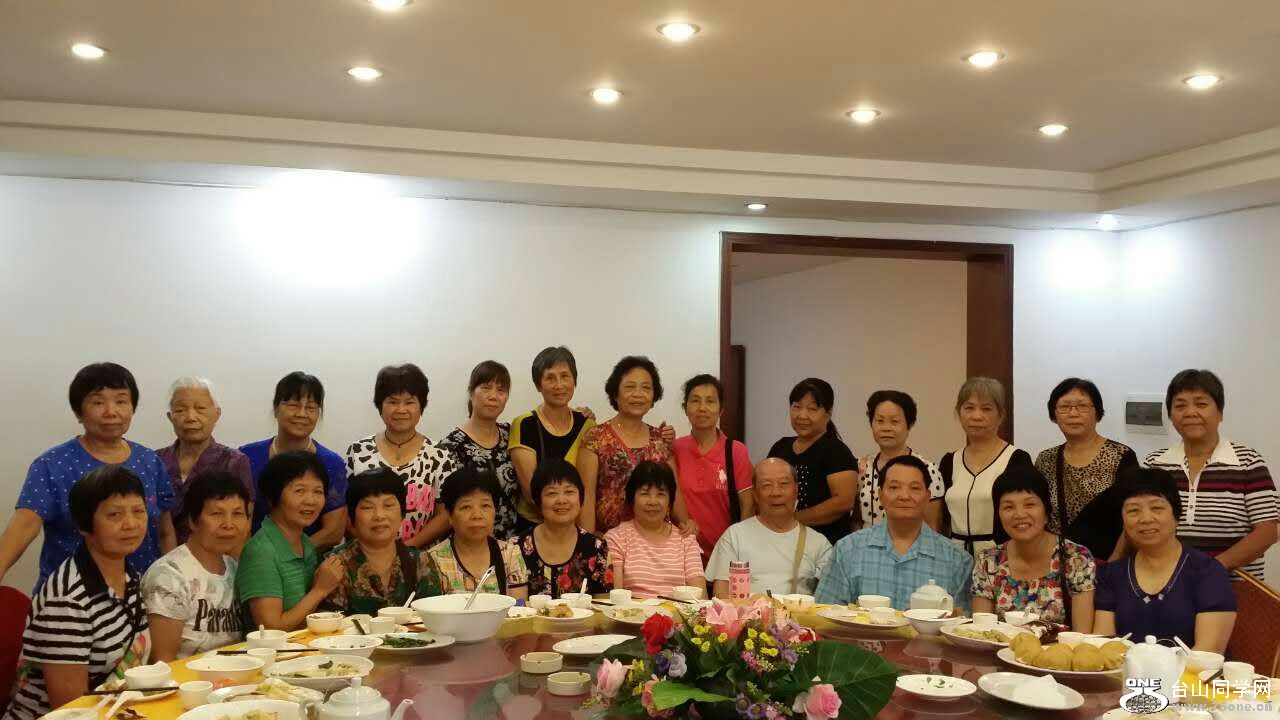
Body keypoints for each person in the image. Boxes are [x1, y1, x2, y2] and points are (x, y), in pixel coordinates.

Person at [0, 362, 176, 591]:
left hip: (142, 594)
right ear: (78, 411)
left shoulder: (150, 461)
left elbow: (165, 532)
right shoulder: (52, 464)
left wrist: (173, 582)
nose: (111, 411)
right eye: (98, 402)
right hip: (71, 597)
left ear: (132, 407)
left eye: (121, 401)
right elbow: (24, 525)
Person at [3, 467, 152, 720]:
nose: (131, 524)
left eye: (139, 511)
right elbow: (71, 708)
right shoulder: (67, 600)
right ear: (84, 525)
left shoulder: (131, 576)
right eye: (114, 515)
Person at [1143, 369, 1278, 580]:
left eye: (1201, 404)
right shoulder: (1154, 465)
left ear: (1220, 412)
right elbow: (1138, 524)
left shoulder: (1248, 462)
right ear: (1170, 415)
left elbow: (1267, 531)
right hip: (1166, 586)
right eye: (1180, 406)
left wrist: (1214, 567)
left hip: (1233, 587)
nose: (1190, 412)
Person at [1094, 468, 1237, 652]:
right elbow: (1104, 648)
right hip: (1125, 671)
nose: (1146, 519)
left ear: (1176, 516)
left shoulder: (1208, 572)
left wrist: (1157, 673)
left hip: (1192, 671)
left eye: (1157, 508)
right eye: (1133, 510)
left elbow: (1208, 652)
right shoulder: (1111, 575)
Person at [816, 455, 973, 610]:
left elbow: (961, 622)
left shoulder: (957, 560)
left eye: (914, 488)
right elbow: (824, 614)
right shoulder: (848, 550)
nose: (904, 496)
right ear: (880, 495)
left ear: (927, 497)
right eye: (894, 487)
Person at [971, 464, 1096, 631]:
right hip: (998, 647)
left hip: (1061, 648)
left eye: (1029, 505)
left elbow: (1082, 635)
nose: (1019, 514)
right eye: (1008, 507)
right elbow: (980, 632)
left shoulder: (1076, 558)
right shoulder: (988, 561)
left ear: (1046, 512)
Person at [142, 471, 249, 660]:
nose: (229, 524)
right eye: (217, 514)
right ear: (192, 521)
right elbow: (162, 663)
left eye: (238, 514)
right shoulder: (169, 576)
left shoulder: (235, 569)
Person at [346, 363, 456, 548]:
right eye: (393, 402)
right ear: (380, 405)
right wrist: (373, 549)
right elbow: (344, 511)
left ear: (421, 406)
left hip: (420, 556)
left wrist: (407, 549)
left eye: (409, 402)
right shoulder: (358, 451)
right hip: (367, 555)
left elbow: (445, 514)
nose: (401, 410)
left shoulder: (439, 454)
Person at [236, 451, 345, 630]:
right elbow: (271, 629)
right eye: (299, 491)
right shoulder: (261, 551)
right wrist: (320, 590)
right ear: (274, 496)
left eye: (318, 491)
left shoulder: (305, 543)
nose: (311, 501)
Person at [1034, 378, 1138, 562]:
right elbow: (1038, 512)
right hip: (1057, 562)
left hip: (1107, 561)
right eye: (1064, 406)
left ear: (1097, 412)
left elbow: (1133, 513)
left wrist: (1114, 562)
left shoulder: (1121, 455)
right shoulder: (1046, 459)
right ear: (1054, 414)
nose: (1073, 413)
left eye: (1082, 406)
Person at [578, 356, 685, 534]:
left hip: (656, 540)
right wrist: (589, 541)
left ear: (654, 395)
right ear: (615, 393)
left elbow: (675, 492)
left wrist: (685, 524)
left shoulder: (660, 440)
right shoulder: (595, 437)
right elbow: (586, 496)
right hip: (608, 539)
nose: (638, 394)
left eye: (646, 388)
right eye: (629, 387)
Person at [241, 371, 347, 549]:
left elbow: (333, 532)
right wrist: (259, 557)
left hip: (310, 559)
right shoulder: (246, 457)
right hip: (254, 556)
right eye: (293, 405)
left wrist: (289, 555)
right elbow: (239, 521)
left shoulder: (331, 463)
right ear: (276, 409)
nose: (302, 414)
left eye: (311, 408)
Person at [321, 467, 446, 614]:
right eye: (367, 507)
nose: (379, 516)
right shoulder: (335, 564)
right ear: (352, 517)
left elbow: (433, 617)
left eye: (388, 505)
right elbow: (330, 623)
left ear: (402, 513)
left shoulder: (420, 562)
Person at [707, 459, 831, 598]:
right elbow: (721, 593)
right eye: (766, 485)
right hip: (744, 611)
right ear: (755, 494)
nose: (776, 492)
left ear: (796, 490)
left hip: (798, 612)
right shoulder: (734, 535)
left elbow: (829, 598)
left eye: (783, 484)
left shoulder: (818, 543)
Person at [939, 377, 1032, 557]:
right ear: (959, 413)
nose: (977, 416)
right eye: (969, 408)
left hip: (1001, 558)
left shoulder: (1017, 459)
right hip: (954, 557)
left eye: (986, 409)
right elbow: (941, 519)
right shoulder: (949, 461)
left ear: (1001, 415)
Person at [155, 377, 253, 546]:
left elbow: (243, 524)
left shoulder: (234, 461)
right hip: (160, 558)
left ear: (217, 414)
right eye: (180, 410)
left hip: (217, 556)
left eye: (200, 409)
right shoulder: (155, 461)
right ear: (170, 417)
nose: (191, 417)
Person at [508, 346, 596, 528]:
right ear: (538, 385)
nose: (559, 385)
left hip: (575, 527)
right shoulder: (524, 424)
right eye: (550, 378)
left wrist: (585, 534)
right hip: (533, 527)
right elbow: (532, 493)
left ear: (574, 380)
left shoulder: (587, 425)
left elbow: (588, 489)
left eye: (565, 376)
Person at [766, 378, 858, 546]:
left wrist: (792, 519)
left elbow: (843, 502)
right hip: (781, 541)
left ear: (828, 414)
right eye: (796, 407)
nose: (802, 415)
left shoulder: (836, 451)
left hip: (825, 546)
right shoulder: (780, 447)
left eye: (812, 409)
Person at [672, 374, 755, 558]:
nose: (702, 408)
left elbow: (747, 506)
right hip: (684, 555)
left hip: (726, 553)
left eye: (710, 401)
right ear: (685, 408)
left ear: (721, 409)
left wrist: (739, 548)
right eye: (695, 401)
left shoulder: (736, 451)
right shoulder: (675, 449)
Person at [438, 361, 522, 540]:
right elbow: (447, 509)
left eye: (501, 390)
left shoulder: (514, 435)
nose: (493, 396)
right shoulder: (450, 446)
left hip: (513, 545)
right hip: (470, 544)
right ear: (471, 392)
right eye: (486, 388)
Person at [605, 462, 704, 599]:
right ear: (632, 500)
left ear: (670, 503)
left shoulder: (686, 540)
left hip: (678, 612)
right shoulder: (615, 538)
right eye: (645, 494)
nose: (653, 501)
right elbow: (614, 597)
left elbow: (700, 597)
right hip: (631, 611)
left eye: (660, 494)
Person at [428, 466, 529, 599]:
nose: (477, 515)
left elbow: (519, 608)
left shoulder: (509, 554)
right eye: (466, 507)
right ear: (450, 516)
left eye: (485, 506)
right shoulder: (433, 560)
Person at [516, 459, 611, 598]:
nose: (561, 500)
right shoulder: (516, 548)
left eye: (569, 492)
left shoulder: (597, 548)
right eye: (552, 493)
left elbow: (603, 605)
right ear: (538, 500)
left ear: (581, 498)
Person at [856, 390, 945, 531]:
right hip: (867, 544)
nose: (886, 428)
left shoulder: (927, 469)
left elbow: (932, 525)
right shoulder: (861, 467)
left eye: (895, 421)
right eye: (880, 421)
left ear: (909, 425)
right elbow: (855, 520)